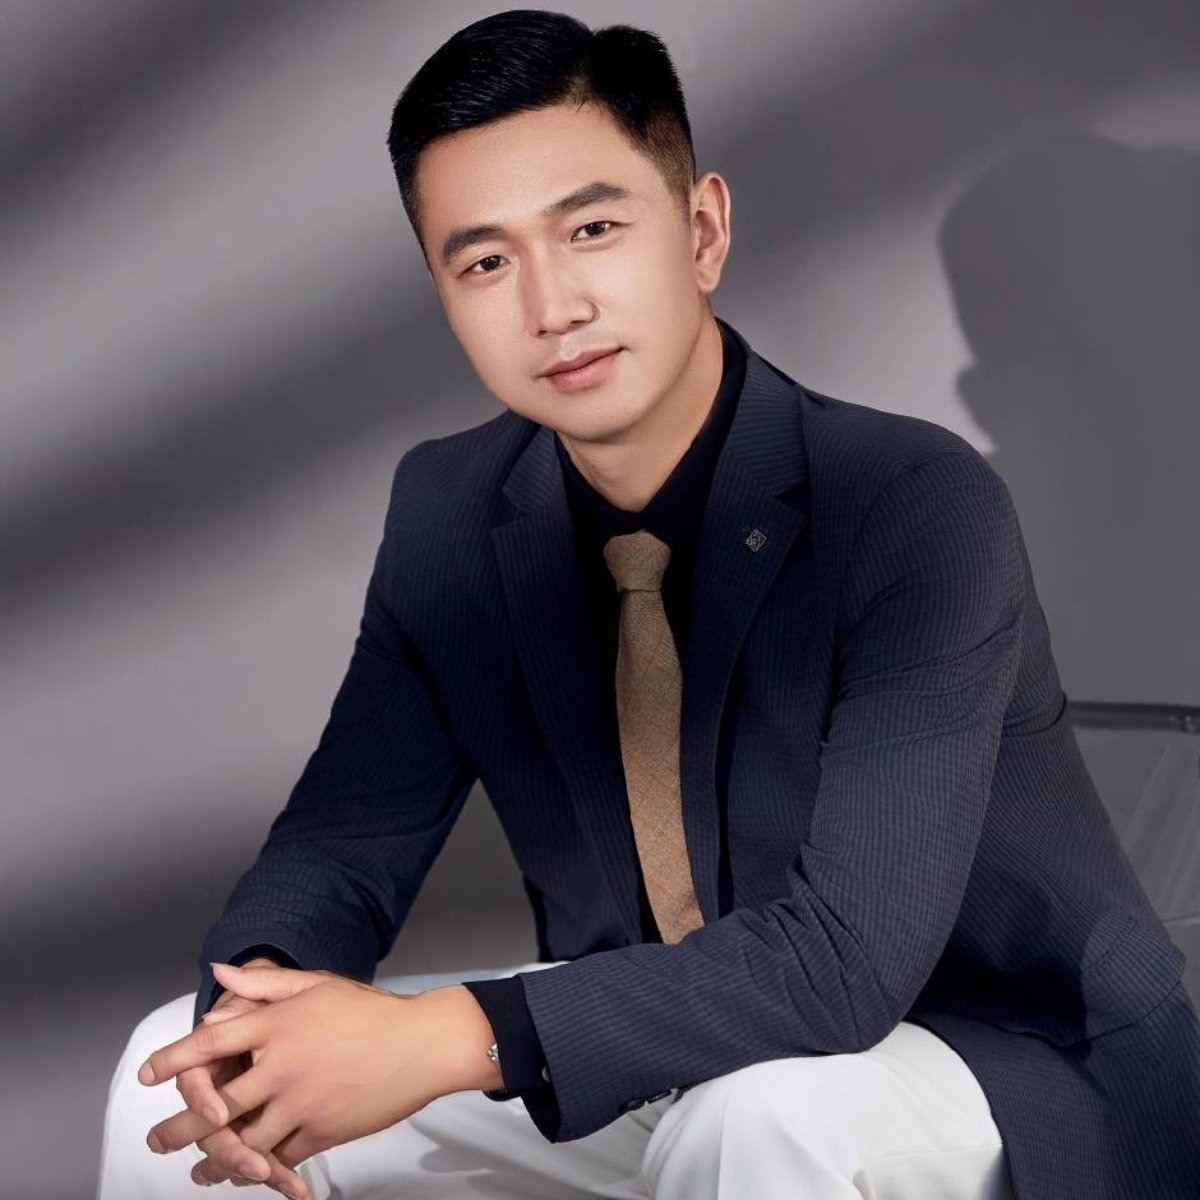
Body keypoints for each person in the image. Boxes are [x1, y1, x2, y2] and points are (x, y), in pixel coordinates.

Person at [97, 9, 1200, 1199]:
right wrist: (252, 1016)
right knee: (176, 1071)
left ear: (702, 230)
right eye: (485, 262)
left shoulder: (911, 503)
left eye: (592, 228)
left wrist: (450, 1036)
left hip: (994, 1053)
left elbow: (844, 962)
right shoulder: (452, 512)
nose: (551, 304)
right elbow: (344, 842)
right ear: (442, 293)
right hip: (651, 1035)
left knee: (761, 1115)